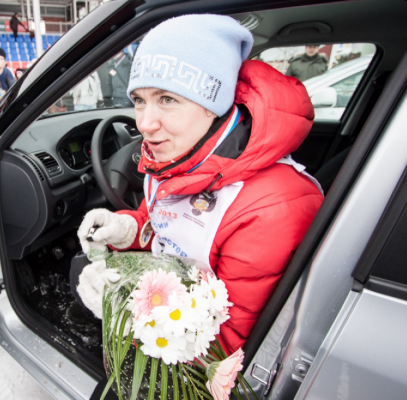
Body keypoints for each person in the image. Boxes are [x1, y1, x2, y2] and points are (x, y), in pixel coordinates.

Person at [73, 15, 324, 369]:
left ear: (215, 103)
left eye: (167, 99)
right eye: (139, 100)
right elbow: (164, 225)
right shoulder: (179, 155)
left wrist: (121, 309)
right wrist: (127, 228)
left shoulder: (269, 207)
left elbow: (225, 351)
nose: (144, 123)